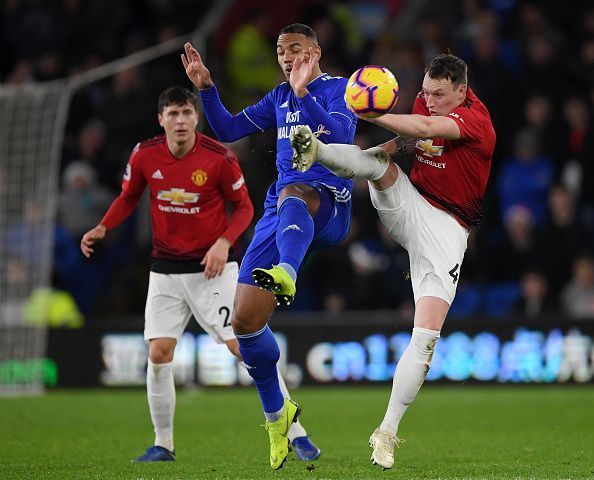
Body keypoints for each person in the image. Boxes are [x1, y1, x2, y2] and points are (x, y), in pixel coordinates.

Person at [80, 86, 314, 463]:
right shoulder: (144, 155)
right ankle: (163, 444)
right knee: (158, 353)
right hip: (166, 270)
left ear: (196, 118)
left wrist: (224, 243)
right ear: (161, 120)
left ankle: (296, 433)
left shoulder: (219, 157)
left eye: (187, 113)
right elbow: (128, 197)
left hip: (213, 271)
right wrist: (103, 228)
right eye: (173, 114)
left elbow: (243, 208)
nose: (181, 121)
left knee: (244, 348)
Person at [291, 53, 496, 469]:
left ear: (462, 91)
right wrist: (369, 148)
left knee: (426, 337)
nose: (430, 101)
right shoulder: (427, 101)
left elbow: (424, 127)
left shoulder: (477, 122)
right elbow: (406, 140)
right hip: (411, 204)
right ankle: (317, 151)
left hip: (448, 231)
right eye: (425, 92)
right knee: (380, 163)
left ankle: (386, 432)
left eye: (440, 95)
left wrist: (370, 110)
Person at [182, 23, 357, 469]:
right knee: (244, 321)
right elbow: (225, 129)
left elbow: (338, 138)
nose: (286, 57)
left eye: (295, 49)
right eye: (280, 51)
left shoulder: (340, 89)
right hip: (281, 210)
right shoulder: (277, 98)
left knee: (295, 188)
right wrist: (207, 89)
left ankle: (288, 274)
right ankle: (278, 417)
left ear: (316, 51)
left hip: (328, 204)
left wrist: (304, 96)